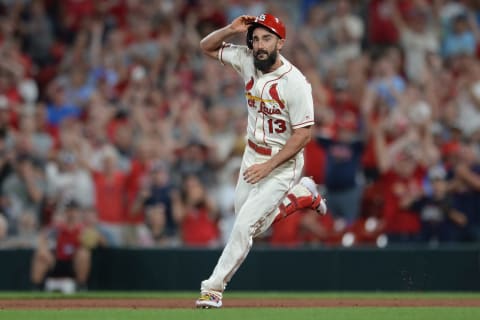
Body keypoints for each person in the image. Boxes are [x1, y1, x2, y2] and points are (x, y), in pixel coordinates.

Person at [195, 13, 327, 308]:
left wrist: (269, 167)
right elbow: (205, 46)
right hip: (252, 154)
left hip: (281, 162)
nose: (259, 44)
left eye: (267, 38)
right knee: (252, 222)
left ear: (281, 42)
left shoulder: (296, 83)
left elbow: (303, 135)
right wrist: (231, 29)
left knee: (243, 226)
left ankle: (213, 288)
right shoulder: (245, 60)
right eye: (255, 38)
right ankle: (303, 195)